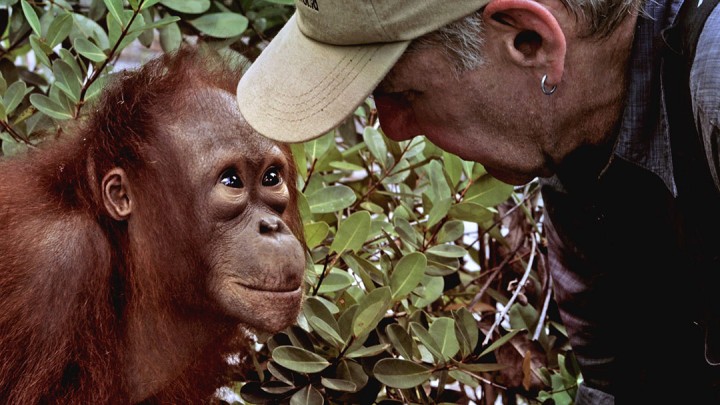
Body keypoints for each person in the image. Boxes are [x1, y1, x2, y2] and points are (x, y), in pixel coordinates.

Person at [236, 0, 720, 403]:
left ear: (530, 40)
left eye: (404, 92)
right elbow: (618, 382)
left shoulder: (712, 83)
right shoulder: (576, 158)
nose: (394, 129)